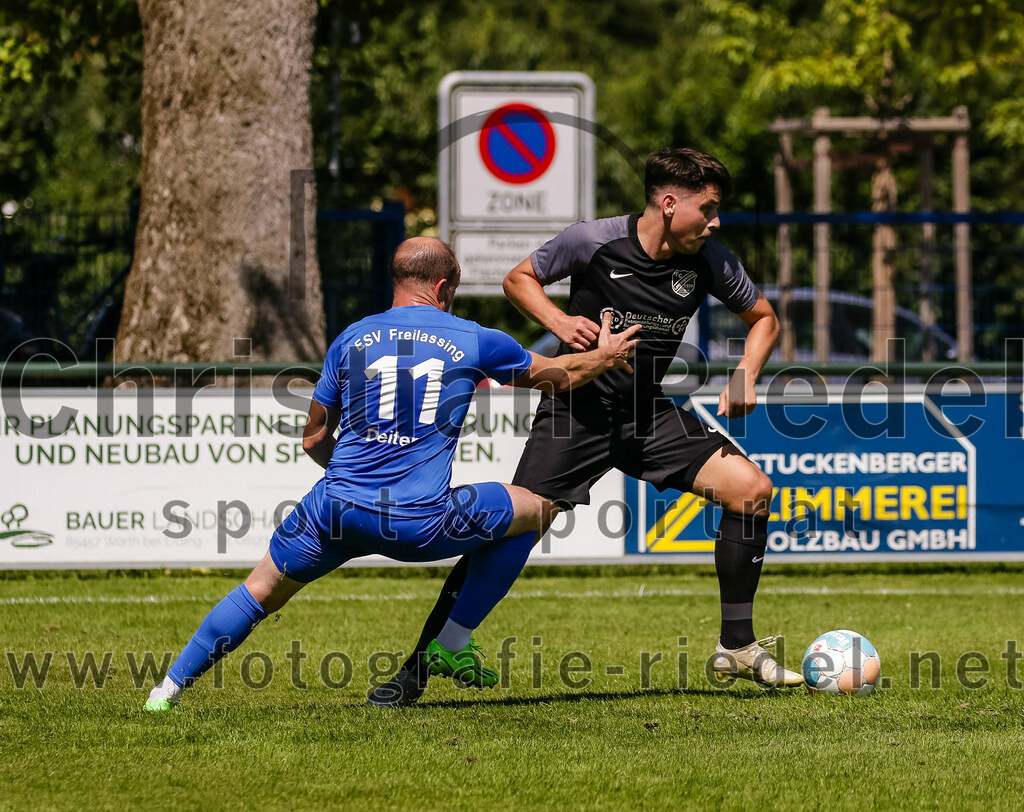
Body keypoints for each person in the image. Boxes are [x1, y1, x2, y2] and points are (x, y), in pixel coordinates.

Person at [369, 147, 803, 708]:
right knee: (516, 526)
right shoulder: (593, 240)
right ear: (671, 204)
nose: (715, 222)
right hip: (575, 411)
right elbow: (519, 279)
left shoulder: (710, 260)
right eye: (709, 209)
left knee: (751, 490)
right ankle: (418, 668)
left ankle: (737, 646)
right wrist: (558, 320)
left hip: (646, 414)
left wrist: (745, 374)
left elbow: (764, 318)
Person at [144, 237, 640, 711]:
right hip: (417, 522)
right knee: (538, 508)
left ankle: (165, 691)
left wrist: (353, 482)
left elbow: (313, 438)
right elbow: (561, 377)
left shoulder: (351, 337)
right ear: (444, 286)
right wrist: (606, 355)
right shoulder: (474, 338)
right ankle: (453, 641)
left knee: (257, 592)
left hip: (333, 511)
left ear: (397, 280)